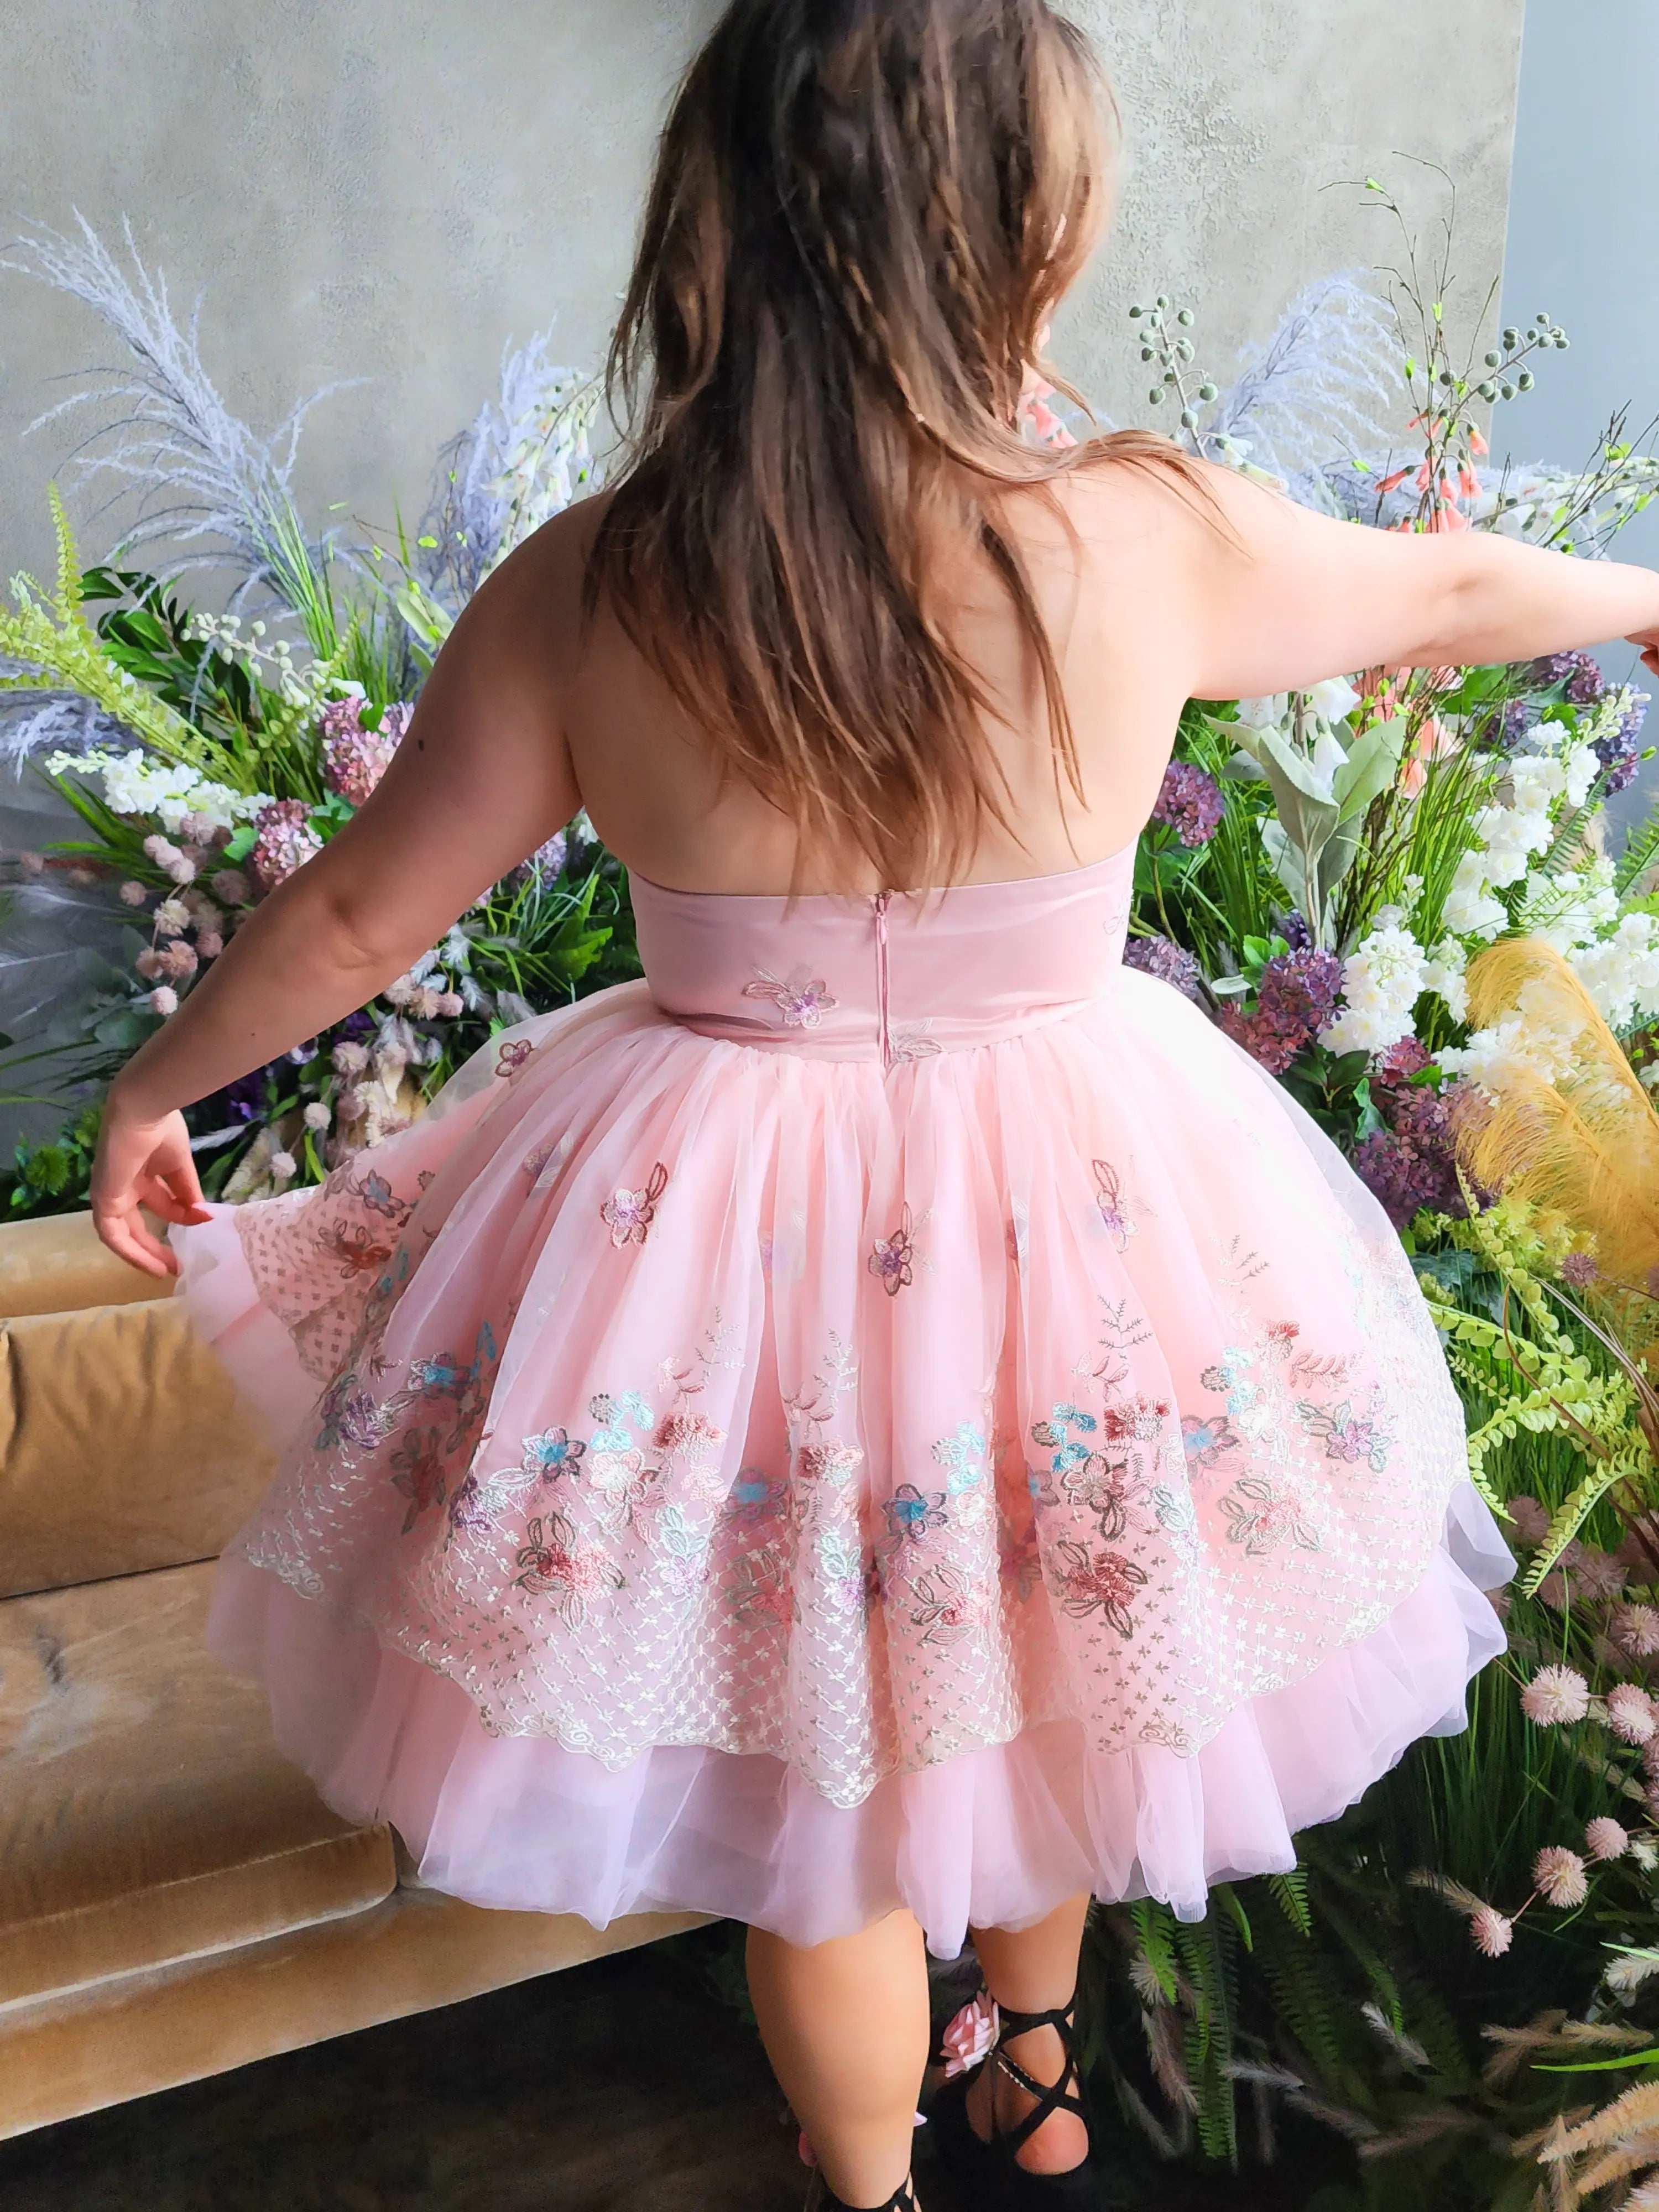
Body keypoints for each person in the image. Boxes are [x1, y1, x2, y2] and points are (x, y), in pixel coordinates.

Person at [89, 3, 1659, 2206]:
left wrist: (173, 1075)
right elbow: (1450, 590)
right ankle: (1030, 2063)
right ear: (1031, 228)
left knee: (832, 1774)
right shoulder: (1141, 534)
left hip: (703, 1217)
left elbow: (354, 909)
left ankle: (871, 2179)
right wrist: (1644, 601)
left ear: (714, 208)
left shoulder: (606, 575)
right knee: (1064, 1637)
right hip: (1081, 1187)